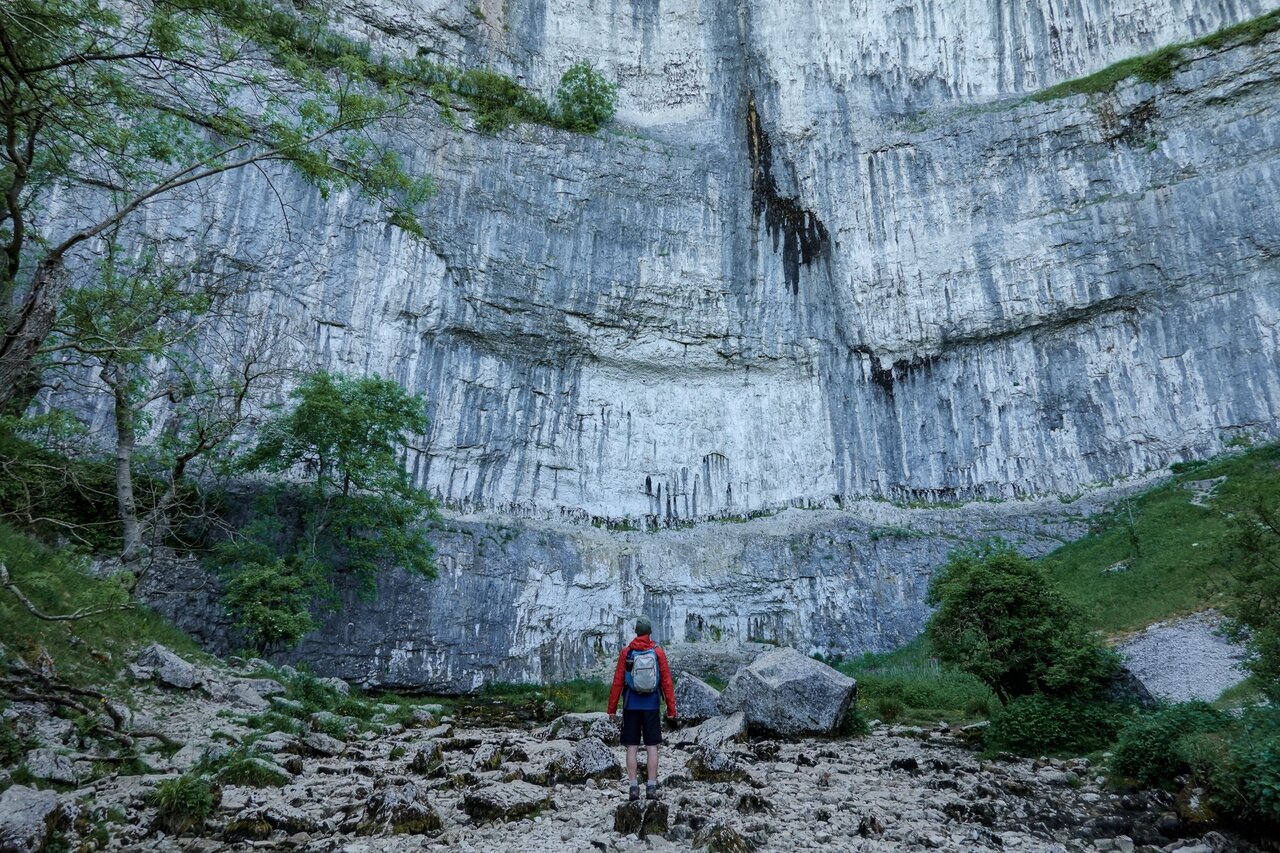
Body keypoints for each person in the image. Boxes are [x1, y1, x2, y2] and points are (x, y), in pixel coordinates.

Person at [607, 615, 677, 801]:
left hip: (631, 705)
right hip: (652, 705)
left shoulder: (627, 653)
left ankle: (633, 788)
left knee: (632, 747)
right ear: (650, 632)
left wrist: (612, 709)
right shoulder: (658, 652)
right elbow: (667, 683)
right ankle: (652, 787)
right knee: (652, 746)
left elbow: (618, 682)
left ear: (636, 631)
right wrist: (671, 709)